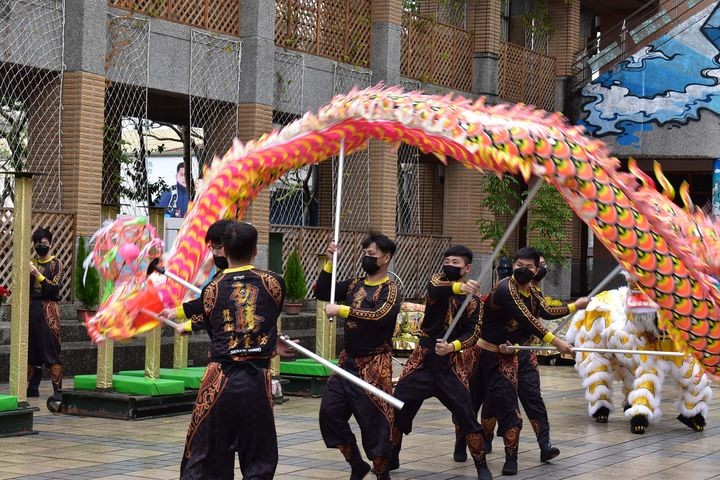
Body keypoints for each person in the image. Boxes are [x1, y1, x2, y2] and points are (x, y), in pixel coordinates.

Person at [173, 222, 285, 479]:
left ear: (223, 251)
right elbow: (268, 317)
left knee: (206, 450)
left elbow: (215, 322)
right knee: (258, 453)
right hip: (257, 377)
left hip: (221, 376)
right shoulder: (274, 282)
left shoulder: (212, 289)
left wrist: (188, 323)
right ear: (255, 250)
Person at [478, 247, 588, 476]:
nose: (523, 270)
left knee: (533, 397)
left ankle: (545, 445)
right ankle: (486, 439)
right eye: (519, 265)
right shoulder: (504, 288)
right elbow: (527, 320)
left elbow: (546, 311)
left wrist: (574, 306)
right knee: (495, 401)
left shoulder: (534, 293)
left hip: (523, 353)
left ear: (538, 270)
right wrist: (556, 342)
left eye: (529, 267)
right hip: (494, 355)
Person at [392, 245, 492, 480]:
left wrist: (453, 346)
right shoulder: (437, 281)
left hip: (451, 363)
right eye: (447, 260)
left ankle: (481, 466)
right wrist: (458, 286)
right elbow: (436, 290)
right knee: (398, 409)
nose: (449, 265)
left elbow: (473, 333)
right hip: (422, 360)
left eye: (455, 262)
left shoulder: (475, 300)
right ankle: (390, 455)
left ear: (467, 268)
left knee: (466, 415)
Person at [315, 233, 401, 480]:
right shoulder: (354, 285)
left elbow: (379, 315)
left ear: (386, 258)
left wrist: (341, 310)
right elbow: (322, 291)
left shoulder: (390, 289)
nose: (367, 257)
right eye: (365, 253)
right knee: (330, 413)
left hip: (374, 364)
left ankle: (382, 473)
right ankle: (356, 463)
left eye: (372, 255)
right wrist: (330, 261)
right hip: (347, 363)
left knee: (374, 422)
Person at [27, 227, 63, 403]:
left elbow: (54, 289)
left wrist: (38, 275)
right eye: (37, 243)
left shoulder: (56, 264)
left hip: (49, 309)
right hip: (32, 308)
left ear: (49, 244)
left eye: (43, 243)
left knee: (51, 349)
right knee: (32, 349)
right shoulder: (30, 262)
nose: (40, 246)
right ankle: (32, 388)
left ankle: (58, 390)